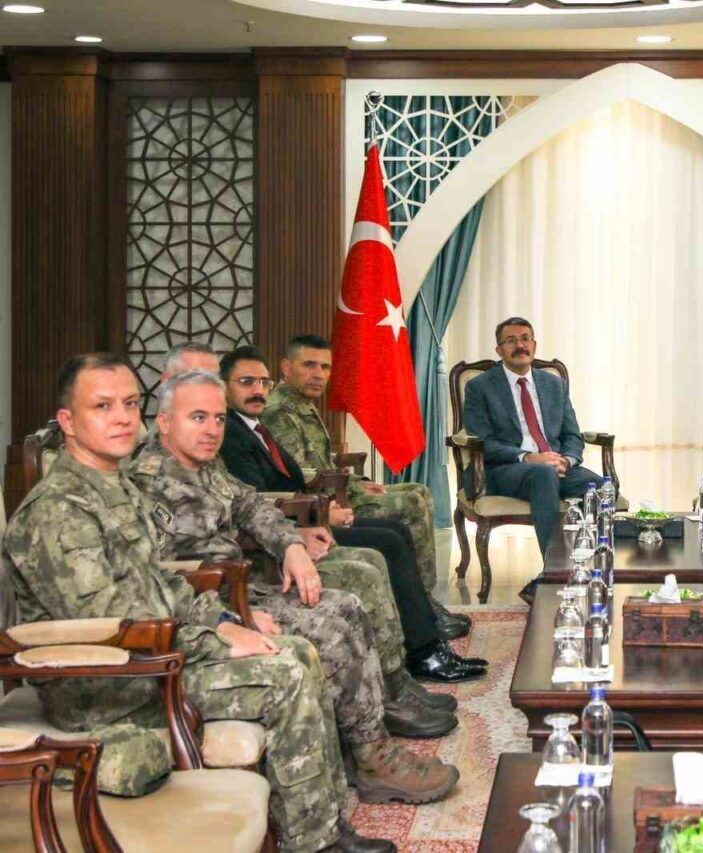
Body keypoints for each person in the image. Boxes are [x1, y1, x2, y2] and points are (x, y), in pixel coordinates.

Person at [1, 353, 396, 852]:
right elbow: (111, 623)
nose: (122, 418)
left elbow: (161, 583)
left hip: (151, 655)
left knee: (295, 650)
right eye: (102, 406)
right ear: (68, 422)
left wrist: (226, 621)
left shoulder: (112, 487)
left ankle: (324, 825)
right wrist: (216, 641)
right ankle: (314, 843)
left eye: (129, 404)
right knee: (288, 673)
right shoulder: (60, 511)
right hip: (108, 686)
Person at [129, 371, 463, 798]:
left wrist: (290, 544)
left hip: (239, 586)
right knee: (329, 624)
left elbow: (249, 504)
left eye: (218, 418)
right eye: (198, 417)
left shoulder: (203, 464)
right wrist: (230, 618)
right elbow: (157, 581)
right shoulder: (149, 481)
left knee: (346, 605)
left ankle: (371, 744)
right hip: (208, 606)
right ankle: (370, 755)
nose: (212, 429)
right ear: (164, 421)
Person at [217, 346, 483, 679]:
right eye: (246, 382)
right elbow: (257, 497)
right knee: (387, 541)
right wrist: (320, 512)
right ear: (223, 386)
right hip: (289, 532)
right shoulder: (233, 432)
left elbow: (297, 472)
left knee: (394, 533)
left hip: (306, 517)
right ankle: (423, 651)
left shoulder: (253, 425)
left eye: (262, 383)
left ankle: (424, 631)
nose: (258, 390)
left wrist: (336, 496)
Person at [261, 335, 468, 637]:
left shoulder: (301, 404)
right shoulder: (281, 410)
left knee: (419, 491)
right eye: (308, 365)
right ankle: (420, 608)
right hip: (324, 504)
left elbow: (322, 461)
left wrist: (359, 481)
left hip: (337, 490)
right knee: (411, 504)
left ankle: (423, 602)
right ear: (286, 367)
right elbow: (301, 474)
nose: (318, 374)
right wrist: (346, 493)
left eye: (324, 367)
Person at [461, 316, 606, 586]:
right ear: (499, 350)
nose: (520, 345)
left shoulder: (554, 384)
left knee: (600, 488)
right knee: (542, 475)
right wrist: (527, 457)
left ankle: (592, 568)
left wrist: (566, 460)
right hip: (502, 469)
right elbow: (483, 441)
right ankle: (555, 572)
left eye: (525, 339)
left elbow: (572, 435)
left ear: (534, 345)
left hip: (554, 466)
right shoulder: (480, 387)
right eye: (511, 341)